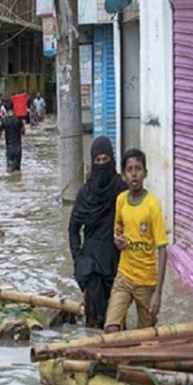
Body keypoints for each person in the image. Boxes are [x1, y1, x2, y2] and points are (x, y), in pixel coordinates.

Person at [104, 149, 168, 333]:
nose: (134, 173)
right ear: (123, 175)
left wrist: (158, 293)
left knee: (145, 337)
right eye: (129, 169)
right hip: (124, 276)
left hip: (146, 282)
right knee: (111, 328)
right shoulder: (121, 201)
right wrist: (118, 241)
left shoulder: (152, 206)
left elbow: (163, 250)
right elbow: (117, 233)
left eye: (138, 169)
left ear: (145, 173)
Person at [68, 137, 128, 328]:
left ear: (112, 159)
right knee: (93, 323)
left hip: (117, 262)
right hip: (91, 264)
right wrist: (78, 258)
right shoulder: (85, 193)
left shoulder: (122, 190)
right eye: (97, 160)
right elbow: (73, 229)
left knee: (117, 321)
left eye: (105, 159)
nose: (102, 164)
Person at [0, 101, 26, 173]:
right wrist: (22, 124)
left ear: (6, 110)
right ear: (13, 108)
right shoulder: (18, 120)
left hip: (9, 149)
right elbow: (23, 132)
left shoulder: (4, 121)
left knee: (10, 172)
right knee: (17, 170)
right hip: (18, 149)